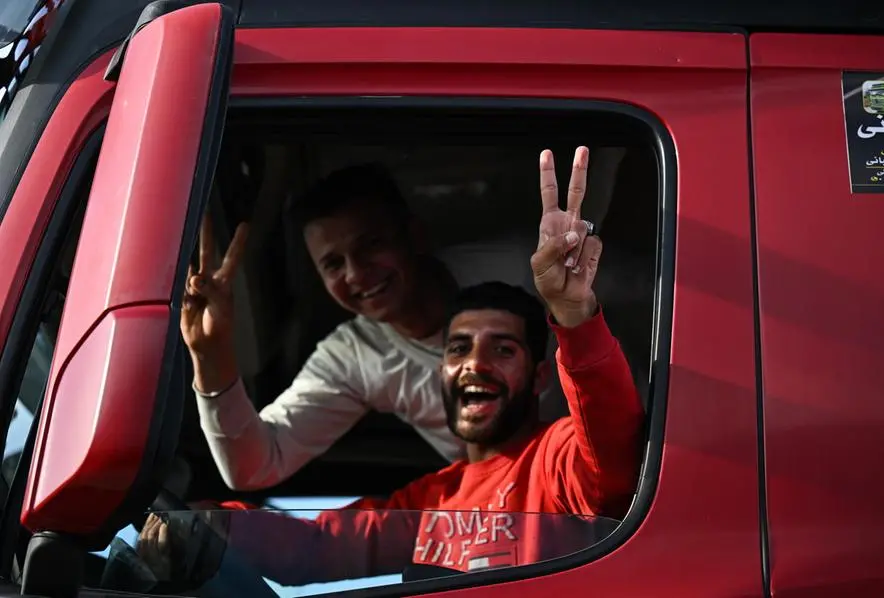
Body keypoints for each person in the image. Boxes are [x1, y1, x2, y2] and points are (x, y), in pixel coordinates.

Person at [142, 147, 645, 584]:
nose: (474, 364)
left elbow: (611, 442)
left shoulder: (558, 459)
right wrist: (214, 524)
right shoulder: (432, 500)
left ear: (541, 371)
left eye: (503, 349)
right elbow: (314, 545)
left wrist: (573, 312)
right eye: (457, 348)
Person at [183, 162, 541, 491]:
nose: (356, 274)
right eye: (333, 264)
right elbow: (254, 466)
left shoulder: (525, 267)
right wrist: (211, 357)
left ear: (414, 236)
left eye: (370, 246)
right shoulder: (355, 355)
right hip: (508, 507)